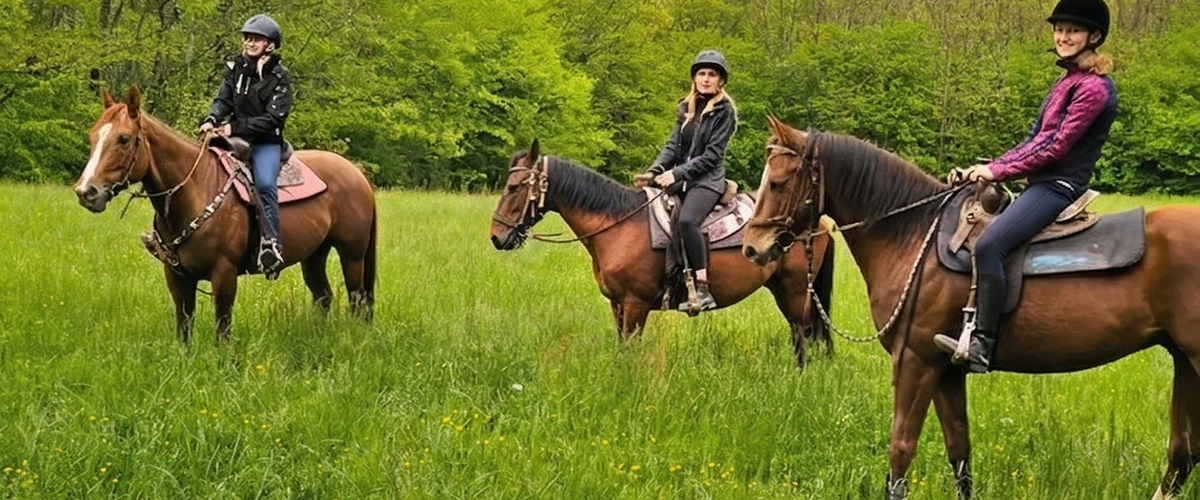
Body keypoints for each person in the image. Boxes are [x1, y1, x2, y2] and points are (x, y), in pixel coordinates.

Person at [934, 0, 1118, 373]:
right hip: (1040, 181)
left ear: (1094, 36)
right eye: (1059, 29)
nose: (1063, 37)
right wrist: (988, 168)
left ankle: (982, 345)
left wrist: (997, 172)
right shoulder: (1066, 82)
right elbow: (1034, 140)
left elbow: (1056, 148)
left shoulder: (1094, 88)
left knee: (990, 245)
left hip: (1059, 185)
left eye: (1073, 30)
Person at [644, 50, 738, 312]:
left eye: (712, 74)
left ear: (720, 80)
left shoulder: (725, 112)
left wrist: (676, 174)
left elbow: (711, 156)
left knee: (687, 221)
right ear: (694, 78)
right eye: (701, 74)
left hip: (707, 181)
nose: (706, 79)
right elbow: (672, 146)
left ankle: (703, 288)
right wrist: (654, 170)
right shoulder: (686, 107)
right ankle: (671, 281)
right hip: (682, 181)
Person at [200, 14, 293, 279]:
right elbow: (223, 100)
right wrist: (212, 119)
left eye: (257, 39)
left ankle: (271, 245)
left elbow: (273, 119)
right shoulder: (236, 68)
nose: (250, 43)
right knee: (200, 167)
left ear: (270, 45)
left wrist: (234, 127)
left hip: (265, 143)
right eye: (248, 38)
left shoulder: (279, 77)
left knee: (264, 184)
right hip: (234, 140)